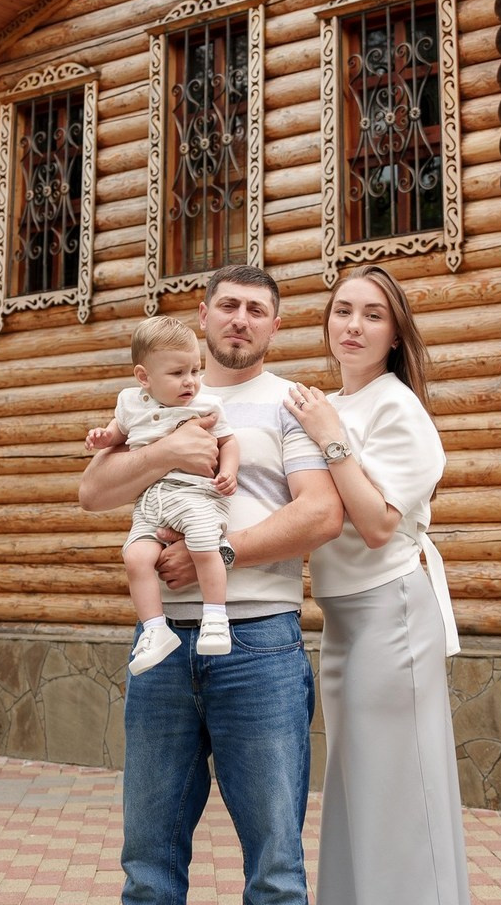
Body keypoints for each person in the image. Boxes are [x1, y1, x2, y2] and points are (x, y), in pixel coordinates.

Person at [78, 263, 343, 905]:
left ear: (275, 327)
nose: (240, 319)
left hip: (260, 647)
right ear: (203, 316)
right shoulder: (147, 402)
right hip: (161, 647)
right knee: (148, 865)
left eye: (256, 310)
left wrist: (215, 553)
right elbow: (92, 491)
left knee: (276, 869)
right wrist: (166, 453)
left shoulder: (292, 405)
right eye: (228, 305)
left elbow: (320, 513)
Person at [285, 263, 471, 905]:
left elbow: (373, 525)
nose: (354, 325)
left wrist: (332, 440)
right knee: (356, 783)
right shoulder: (326, 404)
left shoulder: (398, 408)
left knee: (399, 789)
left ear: (395, 334)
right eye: (343, 310)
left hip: (390, 613)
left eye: (372, 314)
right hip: (342, 621)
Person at [85, 315, 241, 674]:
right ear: (144, 377)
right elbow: (117, 433)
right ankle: (155, 629)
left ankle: (215, 615)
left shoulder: (205, 404)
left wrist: (229, 470)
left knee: (203, 545)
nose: (190, 381)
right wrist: (103, 438)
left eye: (195, 370)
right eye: (177, 374)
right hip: (151, 502)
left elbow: (228, 441)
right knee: (135, 557)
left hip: (195, 495)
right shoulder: (129, 402)